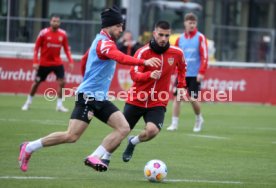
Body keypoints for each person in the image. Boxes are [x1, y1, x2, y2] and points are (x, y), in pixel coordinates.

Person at [18, 6, 161, 172]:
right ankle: (29, 147)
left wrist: (86, 80)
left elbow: (86, 59)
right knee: (71, 136)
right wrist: (143, 62)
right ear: (108, 26)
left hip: (98, 97)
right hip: (88, 97)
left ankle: (94, 156)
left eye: (122, 26)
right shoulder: (104, 43)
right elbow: (119, 57)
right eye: (118, 26)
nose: (121, 29)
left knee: (124, 128)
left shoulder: (100, 41)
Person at [119, 20, 187, 163]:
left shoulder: (177, 53)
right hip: (137, 99)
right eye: (160, 35)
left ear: (170, 35)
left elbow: (182, 69)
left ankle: (133, 142)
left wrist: (181, 86)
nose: (163, 38)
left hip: (158, 100)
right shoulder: (142, 52)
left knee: (152, 131)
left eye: (167, 36)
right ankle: (105, 156)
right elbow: (134, 75)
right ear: (154, 33)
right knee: (121, 131)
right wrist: (148, 75)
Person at [21, 15, 74, 112]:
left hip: (57, 62)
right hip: (44, 63)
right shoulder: (43, 33)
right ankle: (28, 102)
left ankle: (59, 105)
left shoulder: (63, 34)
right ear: (50, 22)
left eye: (57, 21)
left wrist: (70, 60)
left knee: (62, 82)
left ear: (59, 23)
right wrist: (35, 62)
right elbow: (36, 48)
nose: (55, 23)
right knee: (36, 83)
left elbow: (66, 49)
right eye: (54, 21)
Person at [167, 12, 208, 132]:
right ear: (185, 23)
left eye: (194, 23)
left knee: (192, 98)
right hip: (181, 74)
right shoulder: (179, 39)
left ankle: (199, 118)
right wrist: (174, 73)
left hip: (195, 74)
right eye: (190, 23)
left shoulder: (200, 37)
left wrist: (201, 72)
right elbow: (175, 58)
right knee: (177, 98)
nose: (192, 25)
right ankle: (174, 124)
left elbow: (204, 56)